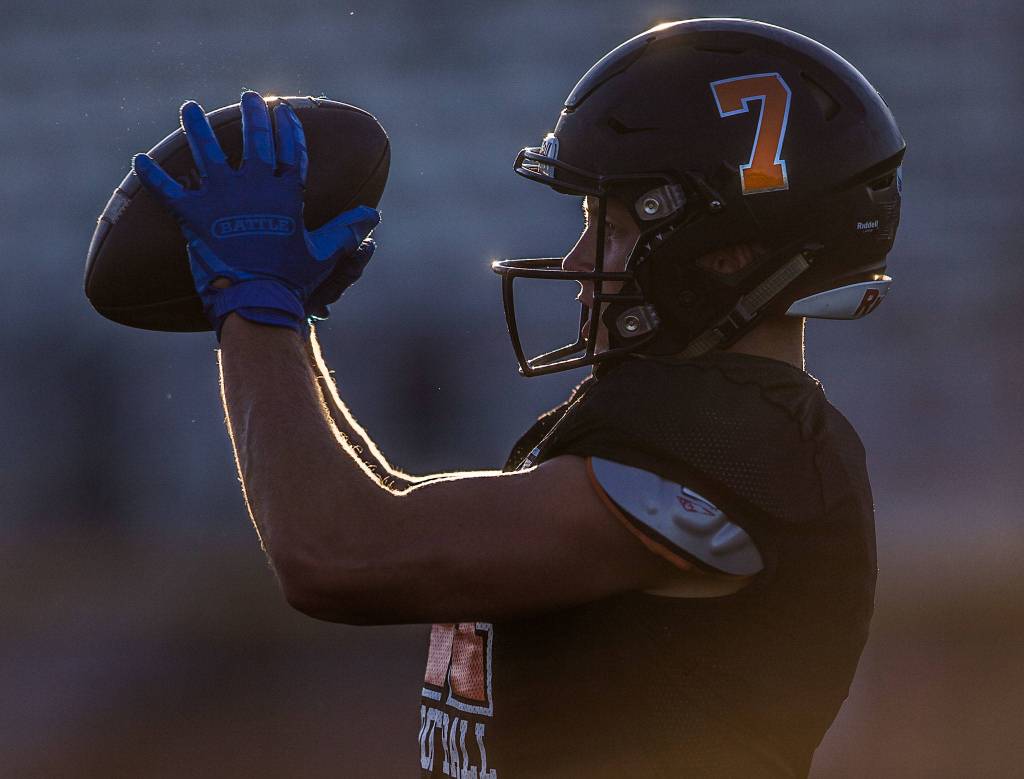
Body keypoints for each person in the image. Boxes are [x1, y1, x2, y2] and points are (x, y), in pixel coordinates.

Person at [133, 17, 905, 778]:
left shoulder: (743, 441)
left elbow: (335, 552)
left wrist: (254, 301)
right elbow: (391, 505)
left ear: (724, 254)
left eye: (606, 225)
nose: (575, 261)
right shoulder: (693, 425)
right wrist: (286, 325)